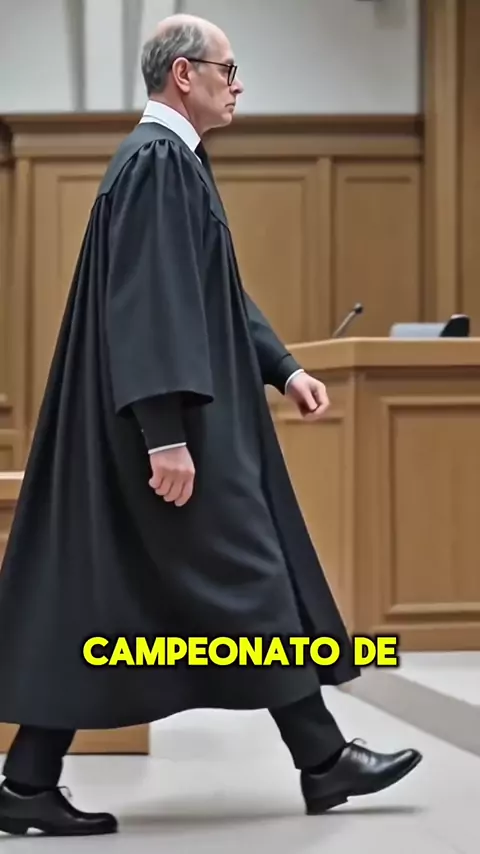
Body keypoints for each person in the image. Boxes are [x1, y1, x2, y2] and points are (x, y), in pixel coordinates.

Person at [0, 13, 421, 837]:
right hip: (169, 432)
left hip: (161, 426)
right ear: (183, 74)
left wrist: (284, 367)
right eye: (229, 70)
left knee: (108, 597)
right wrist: (164, 434)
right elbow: (148, 306)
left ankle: (26, 779)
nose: (239, 85)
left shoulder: (169, 163)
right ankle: (324, 757)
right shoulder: (159, 163)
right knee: (249, 575)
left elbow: (216, 294)